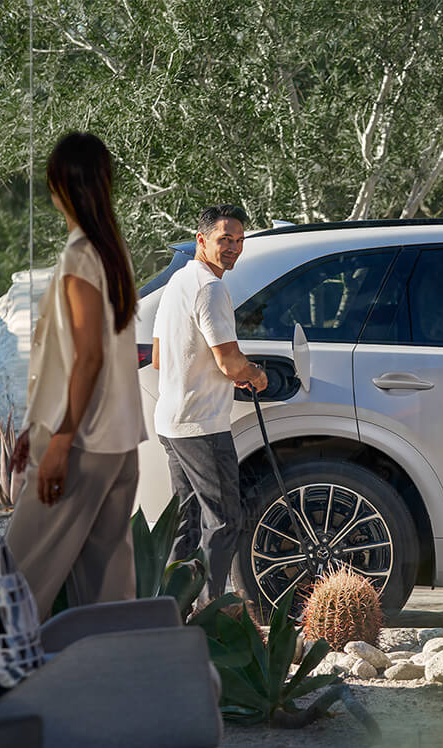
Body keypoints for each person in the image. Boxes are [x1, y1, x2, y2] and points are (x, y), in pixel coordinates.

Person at [6, 132, 146, 620]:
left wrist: (60, 439)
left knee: (17, 580)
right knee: (107, 594)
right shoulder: (113, 253)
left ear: (58, 186)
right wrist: (34, 426)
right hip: (118, 443)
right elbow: (73, 357)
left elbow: (88, 359)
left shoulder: (81, 257)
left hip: (81, 444)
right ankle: (118, 690)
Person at [153, 204, 268, 605]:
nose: (234, 248)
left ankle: (167, 610)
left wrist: (209, 371)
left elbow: (157, 357)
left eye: (239, 241)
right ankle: (210, 613)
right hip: (203, 426)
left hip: (171, 422)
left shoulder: (178, 283)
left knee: (186, 524)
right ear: (201, 240)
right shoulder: (210, 287)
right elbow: (229, 361)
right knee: (224, 522)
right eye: (225, 240)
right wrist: (254, 374)